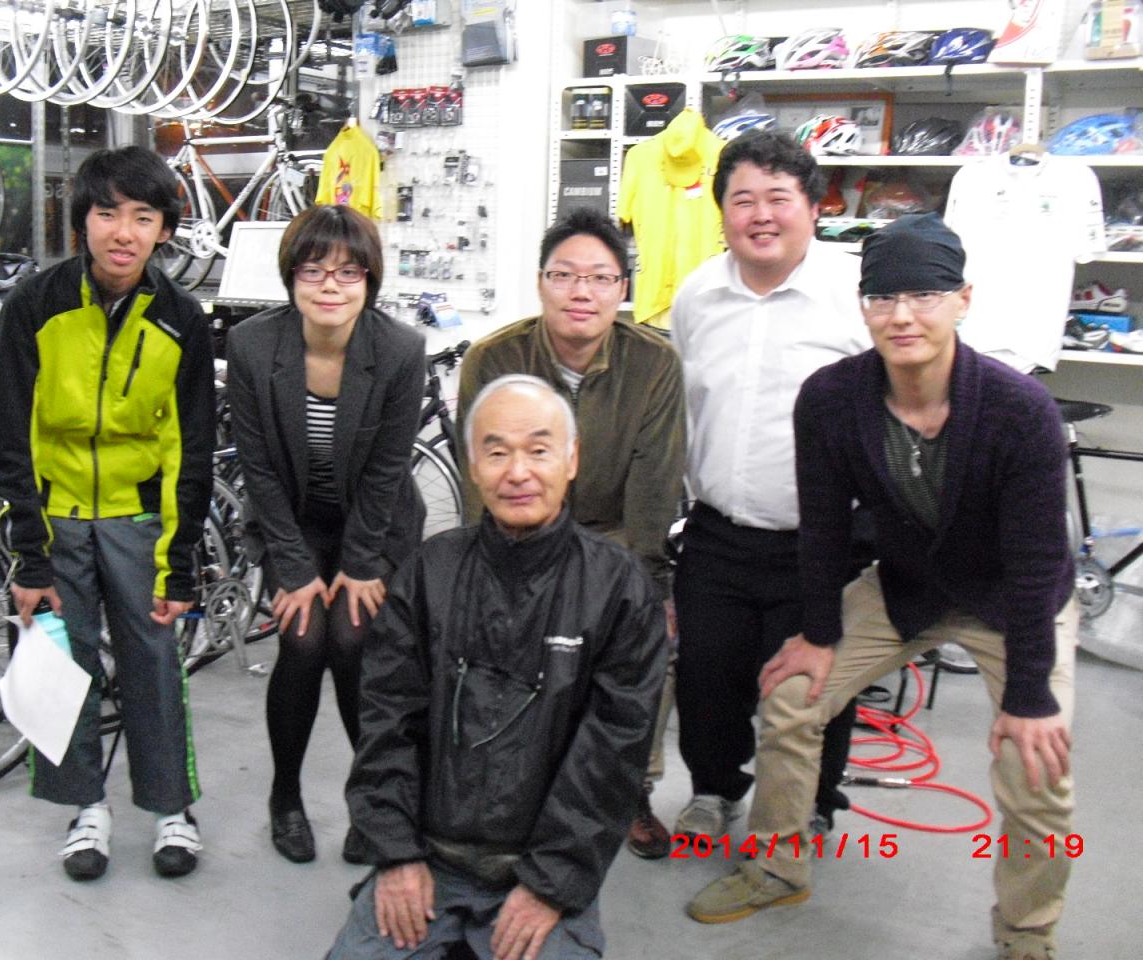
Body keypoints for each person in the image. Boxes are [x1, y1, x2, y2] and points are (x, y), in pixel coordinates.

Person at [685, 214, 1078, 960]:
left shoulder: (1021, 412)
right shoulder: (832, 399)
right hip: (909, 588)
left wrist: (1030, 695)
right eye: (883, 297)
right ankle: (776, 867)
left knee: (1036, 765)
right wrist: (818, 635)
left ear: (963, 299)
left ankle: (1027, 934)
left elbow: (1033, 563)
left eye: (925, 295)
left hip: (1013, 603)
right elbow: (824, 530)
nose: (903, 315)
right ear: (862, 307)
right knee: (792, 696)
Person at [327, 375, 667, 960]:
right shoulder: (428, 573)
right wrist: (398, 855)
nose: (518, 472)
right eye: (497, 451)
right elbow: (386, 723)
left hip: (539, 869)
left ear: (571, 460)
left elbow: (611, 755)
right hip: (427, 856)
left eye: (538, 450)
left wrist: (549, 885)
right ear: (472, 467)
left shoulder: (618, 589)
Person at [0, 145, 216, 881]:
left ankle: (171, 809)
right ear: (83, 221)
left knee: (153, 663)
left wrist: (179, 563)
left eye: (143, 217)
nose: (123, 232)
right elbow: (4, 435)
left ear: (164, 230)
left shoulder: (181, 320)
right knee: (59, 662)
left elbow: (189, 451)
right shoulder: (35, 306)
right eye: (108, 213)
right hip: (55, 520)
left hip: (138, 522)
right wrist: (30, 556)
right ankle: (85, 809)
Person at [455, 207, 686, 859]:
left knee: (646, 647)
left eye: (600, 277)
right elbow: (481, 482)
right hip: (519, 537)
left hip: (615, 538)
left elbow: (653, 490)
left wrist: (648, 592)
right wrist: (488, 578)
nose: (581, 292)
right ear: (540, 283)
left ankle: (627, 786)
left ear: (622, 289)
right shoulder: (493, 359)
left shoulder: (655, 364)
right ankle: (510, 780)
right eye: (564, 275)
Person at [669, 130, 870, 844]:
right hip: (716, 532)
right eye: (742, 199)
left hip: (820, 542)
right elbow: (683, 409)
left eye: (778, 198)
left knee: (811, 685)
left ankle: (811, 801)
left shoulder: (855, 295)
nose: (760, 215)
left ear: (813, 208)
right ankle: (713, 789)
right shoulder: (697, 296)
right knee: (706, 675)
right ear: (722, 212)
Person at [225, 204, 426, 866]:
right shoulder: (252, 346)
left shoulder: (400, 351)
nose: (330, 285)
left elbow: (388, 471)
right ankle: (285, 798)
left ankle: (372, 803)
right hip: (293, 521)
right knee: (304, 638)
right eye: (313, 270)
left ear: (370, 279)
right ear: (291, 277)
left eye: (348, 271)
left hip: (377, 523)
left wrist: (362, 562)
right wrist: (293, 568)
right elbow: (258, 468)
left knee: (353, 639)